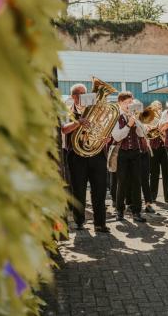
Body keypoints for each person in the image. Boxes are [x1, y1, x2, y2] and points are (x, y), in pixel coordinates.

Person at [61, 84, 110, 233]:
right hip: (76, 156)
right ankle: (79, 221)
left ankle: (100, 224)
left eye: (85, 93)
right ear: (74, 97)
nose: (84, 96)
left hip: (97, 155)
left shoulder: (97, 111)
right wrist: (78, 122)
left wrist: (105, 138)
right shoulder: (66, 110)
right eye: (80, 94)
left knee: (99, 190)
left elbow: (106, 127)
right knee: (78, 190)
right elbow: (63, 129)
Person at [111, 91, 146, 222]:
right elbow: (117, 136)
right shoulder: (116, 116)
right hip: (122, 152)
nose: (129, 105)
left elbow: (142, 135)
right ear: (120, 103)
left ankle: (137, 211)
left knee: (137, 182)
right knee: (122, 182)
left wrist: (136, 123)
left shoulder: (134, 115)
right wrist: (128, 124)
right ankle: (119, 211)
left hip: (135, 152)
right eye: (126, 103)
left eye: (130, 102)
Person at [148, 101, 168, 204]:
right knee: (154, 174)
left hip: (164, 147)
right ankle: (152, 196)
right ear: (152, 107)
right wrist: (155, 127)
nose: (159, 108)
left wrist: (162, 129)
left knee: (167, 173)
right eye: (157, 106)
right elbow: (148, 132)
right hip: (154, 148)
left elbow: (166, 130)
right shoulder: (149, 117)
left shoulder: (164, 116)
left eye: (160, 106)